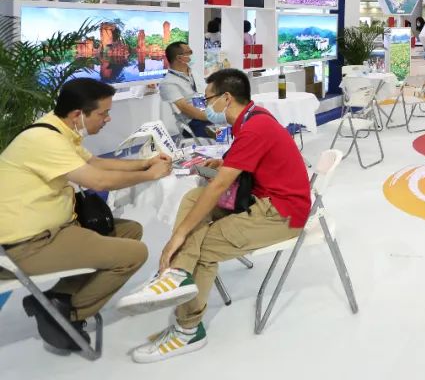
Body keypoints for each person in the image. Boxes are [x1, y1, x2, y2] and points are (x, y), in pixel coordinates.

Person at [117, 69, 311, 363]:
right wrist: (225, 162)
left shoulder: (255, 127)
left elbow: (219, 185)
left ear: (226, 98)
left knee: (202, 247)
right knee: (194, 196)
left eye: (207, 99)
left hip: (280, 213)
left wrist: (179, 235)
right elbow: (246, 163)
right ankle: (178, 274)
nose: (204, 106)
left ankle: (188, 329)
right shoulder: (251, 118)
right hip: (259, 199)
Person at [0, 79, 171, 352]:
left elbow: (94, 162)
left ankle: (59, 296)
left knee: (130, 231)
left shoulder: (57, 128)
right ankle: (65, 315)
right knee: (134, 254)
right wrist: (149, 175)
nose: (107, 119)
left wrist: (144, 164)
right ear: (78, 114)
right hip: (27, 244)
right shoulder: (45, 140)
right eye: (103, 113)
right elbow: (98, 180)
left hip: (56, 228)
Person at [160, 42, 215, 141]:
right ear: (179, 58)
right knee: (226, 135)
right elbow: (185, 108)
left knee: (238, 125)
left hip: (208, 113)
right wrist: (213, 117)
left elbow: (208, 93)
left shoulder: (194, 73)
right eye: (189, 52)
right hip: (194, 122)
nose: (192, 55)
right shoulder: (168, 83)